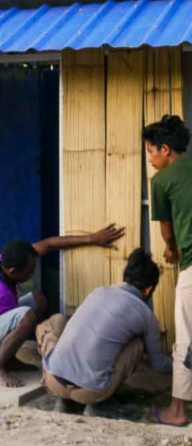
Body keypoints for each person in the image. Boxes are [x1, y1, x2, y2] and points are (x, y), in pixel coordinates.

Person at [0, 224, 125, 388]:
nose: (32, 273)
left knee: (38, 299)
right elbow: (13, 328)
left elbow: (49, 244)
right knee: (26, 317)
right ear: (13, 271)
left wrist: (93, 238)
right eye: (29, 271)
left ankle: (9, 360)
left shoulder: (1, 261)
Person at [36, 248, 172, 416]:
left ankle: (63, 400)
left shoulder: (99, 291)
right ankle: (100, 405)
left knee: (55, 322)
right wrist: (180, 363)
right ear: (148, 289)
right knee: (137, 344)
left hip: (53, 381)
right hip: (90, 392)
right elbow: (158, 365)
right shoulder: (146, 316)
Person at [142, 115, 192, 426]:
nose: (150, 160)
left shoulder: (162, 181)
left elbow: (166, 231)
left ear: (164, 149)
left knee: (185, 338)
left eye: (150, 153)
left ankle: (176, 411)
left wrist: (171, 249)